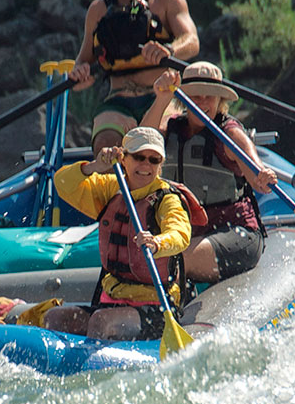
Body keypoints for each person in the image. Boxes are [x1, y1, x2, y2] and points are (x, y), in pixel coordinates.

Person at [43, 127, 195, 340]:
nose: (145, 165)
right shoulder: (112, 188)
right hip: (111, 299)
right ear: (124, 159)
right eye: (139, 157)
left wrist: (157, 242)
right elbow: (63, 183)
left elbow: (180, 234)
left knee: (101, 321)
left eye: (153, 160)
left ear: (160, 165)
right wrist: (96, 166)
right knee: (55, 318)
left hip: (155, 308)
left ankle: (91, 370)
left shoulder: (167, 199)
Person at [68, 0, 200, 155]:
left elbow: (192, 41)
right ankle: (114, 190)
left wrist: (169, 50)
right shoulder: (98, 10)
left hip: (163, 96)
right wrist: (80, 75)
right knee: (106, 144)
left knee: (156, 141)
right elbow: (83, 64)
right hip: (119, 101)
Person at [141, 61, 279, 283]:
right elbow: (140, 142)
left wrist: (263, 175)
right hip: (189, 232)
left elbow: (257, 177)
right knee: (150, 257)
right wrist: (161, 98)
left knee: (172, 259)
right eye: (195, 96)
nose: (202, 102)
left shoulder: (230, 135)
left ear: (220, 100)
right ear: (183, 99)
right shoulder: (172, 128)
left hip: (237, 234)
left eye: (209, 96)